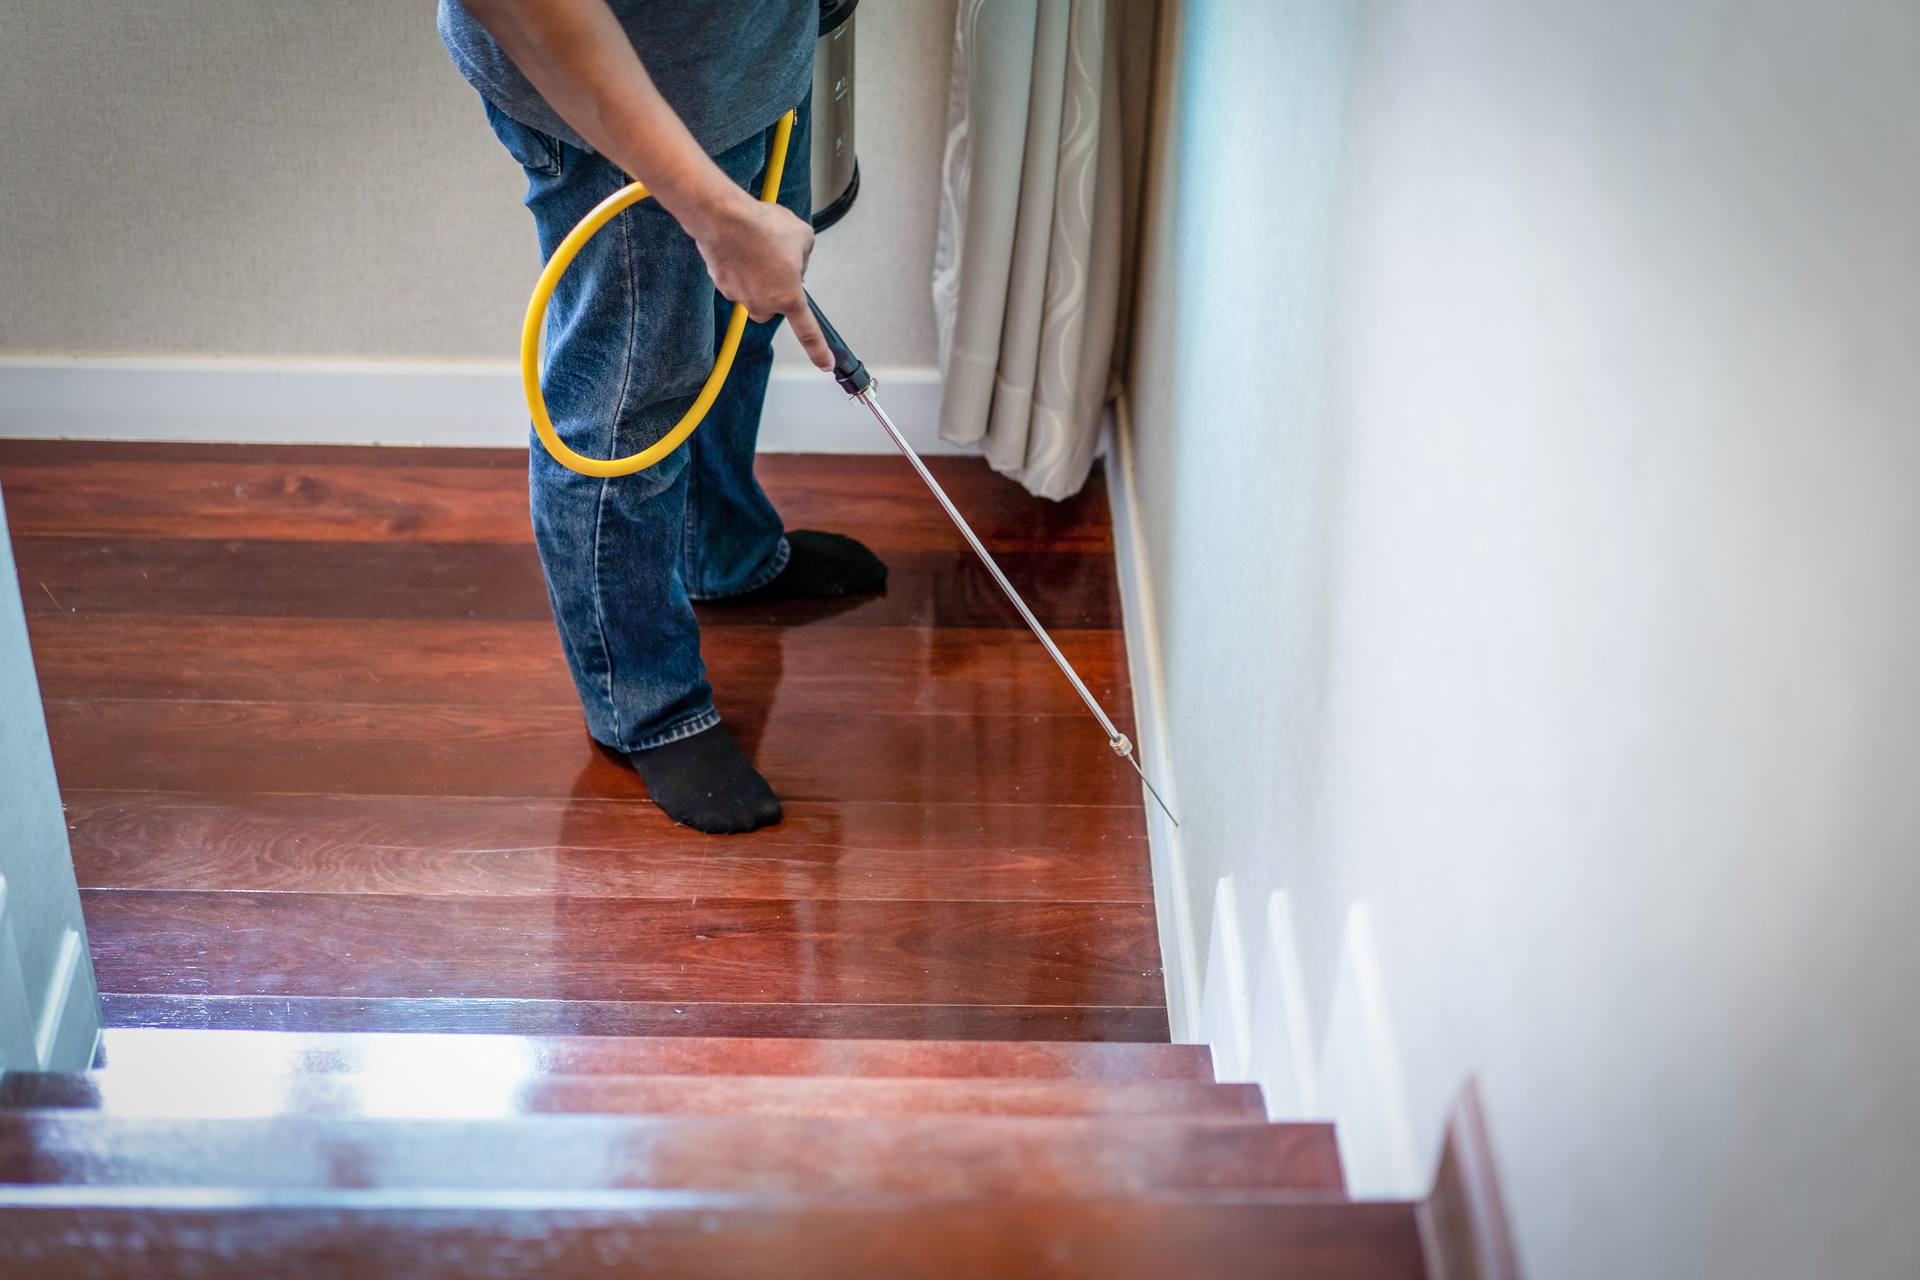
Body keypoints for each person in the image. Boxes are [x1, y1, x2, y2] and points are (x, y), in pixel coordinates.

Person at [438, 0, 886, 835]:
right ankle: (643, 702)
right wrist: (715, 216)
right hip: (623, 113)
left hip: (751, 68)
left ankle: (725, 554)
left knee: (735, 336)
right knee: (628, 410)